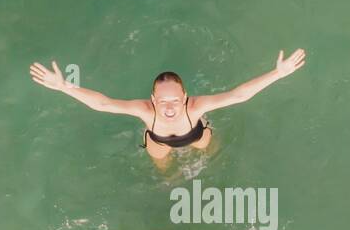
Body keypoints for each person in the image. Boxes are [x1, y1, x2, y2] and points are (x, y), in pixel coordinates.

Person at [29, 50, 306, 166]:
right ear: (153, 98)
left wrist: (277, 74)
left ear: (184, 97)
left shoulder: (195, 108)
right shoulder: (145, 111)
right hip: (158, 140)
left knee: (209, 153)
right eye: (162, 101)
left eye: (174, 100)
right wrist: (64, 86)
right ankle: (169, 181)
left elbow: (238, 95)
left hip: (196, 133)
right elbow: (102, 103)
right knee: (163, 169)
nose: (169, 107)